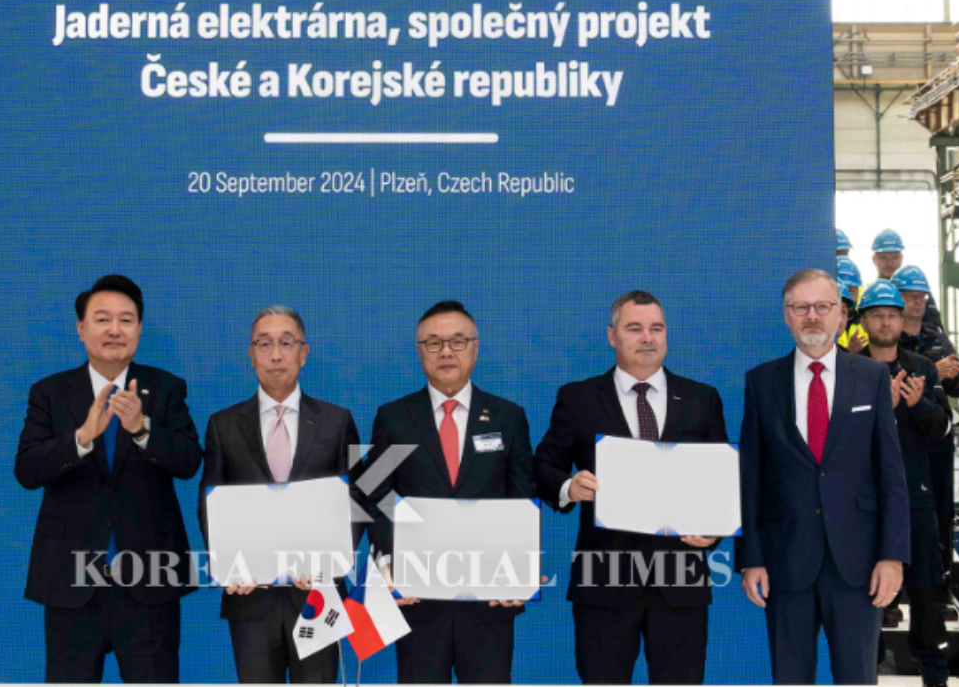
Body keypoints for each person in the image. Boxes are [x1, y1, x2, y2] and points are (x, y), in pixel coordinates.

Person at [15, 275, 203, 683]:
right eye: (102, 319)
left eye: (126, 320)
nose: (115, 330)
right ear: (81, 329)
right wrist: (81, 438)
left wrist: (141, 429)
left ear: (139, 329)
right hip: (71, 580)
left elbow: (189, 461)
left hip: (150, 579)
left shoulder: (165, 388)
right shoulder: (49, 392)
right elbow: (27, 470)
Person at [534, 291, 728, 685]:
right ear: (612, 336)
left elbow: (722, 480)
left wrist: (715, 528)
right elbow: (542, 467)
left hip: (680, 579)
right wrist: (569, 486)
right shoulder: (578, 398)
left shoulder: (701, 399)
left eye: (656, 328)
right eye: (634, 328)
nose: (647, 338)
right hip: (602, 579)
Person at [737, 268, 909, 685]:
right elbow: (750, 478)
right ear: (786, 316)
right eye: (800, 307)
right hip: (785, 560)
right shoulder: (761, 382)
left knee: (857, 677)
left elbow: (891, 474)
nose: (811, 316)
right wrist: (751, 559)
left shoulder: (871, 377)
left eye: (822, 306)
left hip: (858, 565)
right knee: (790, 678)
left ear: (841, 314)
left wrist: (892, 557)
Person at [364, 300, 535, 684]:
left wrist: (521, 570)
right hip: (418, 598)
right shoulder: (393, 418)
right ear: (419, 351)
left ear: (475, 348)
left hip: (489, 599)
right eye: (433, 342)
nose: (445, 352)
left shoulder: (508, 417)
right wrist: (388, 562)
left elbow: (521, 498)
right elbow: (375, 496)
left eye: (457, 341)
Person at [198, 306, 366, 683]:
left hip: (318, 595)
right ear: (251, 354)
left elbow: (357, 498)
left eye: (286, 343)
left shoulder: (337, 421)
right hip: (249, 598)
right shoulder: (223, 425)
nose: (275, 355)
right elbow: (209, 503)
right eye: (264, 344)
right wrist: (229, 563)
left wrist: (331, 560)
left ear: (303, 353)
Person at [855, 282, 951, 687]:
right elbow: (839, 439)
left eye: (892, 314)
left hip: (916, 500)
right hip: (863, 505)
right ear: (863, 321)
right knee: (866, 598)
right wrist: (883, 409)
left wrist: (919, 404)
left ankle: (935, 676)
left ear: (902, 320)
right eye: (877, 315)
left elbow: (941, 430)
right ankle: (866, 673)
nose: (886, 321)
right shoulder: (849, 369)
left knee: (927, 594)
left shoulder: (922, 369)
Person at [893, 265, 959, 593]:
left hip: (937, 439)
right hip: (904, 441)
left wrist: (952, 374)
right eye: (910, 296)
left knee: (941, 512)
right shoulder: (890, 340)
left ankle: (941, 586)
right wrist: (934, 371)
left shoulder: (938, 337)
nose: (917, 302)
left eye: (921, 296)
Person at [837, 256, 867, 353]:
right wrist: (849, 352)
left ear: (858, 291)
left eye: (851, 290)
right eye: (840, 290)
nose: (846, 294)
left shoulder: (868, 317)